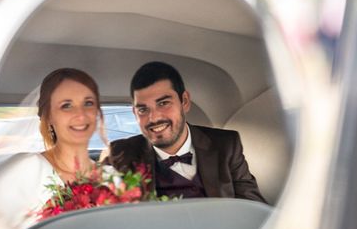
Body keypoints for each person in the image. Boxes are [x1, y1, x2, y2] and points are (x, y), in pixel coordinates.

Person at [107, 61, 266, 203]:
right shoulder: (120, 154)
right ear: (135, 114)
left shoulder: (226, 145)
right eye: (143, 109)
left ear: (184, 102)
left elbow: (252, 206)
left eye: (163, 103)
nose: (153, 118)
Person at [0, 68, 107, 229]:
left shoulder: (112, 177)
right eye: (66, 106)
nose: (81, 115)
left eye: (88, 103)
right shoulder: (26, 169)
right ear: (49, 116)